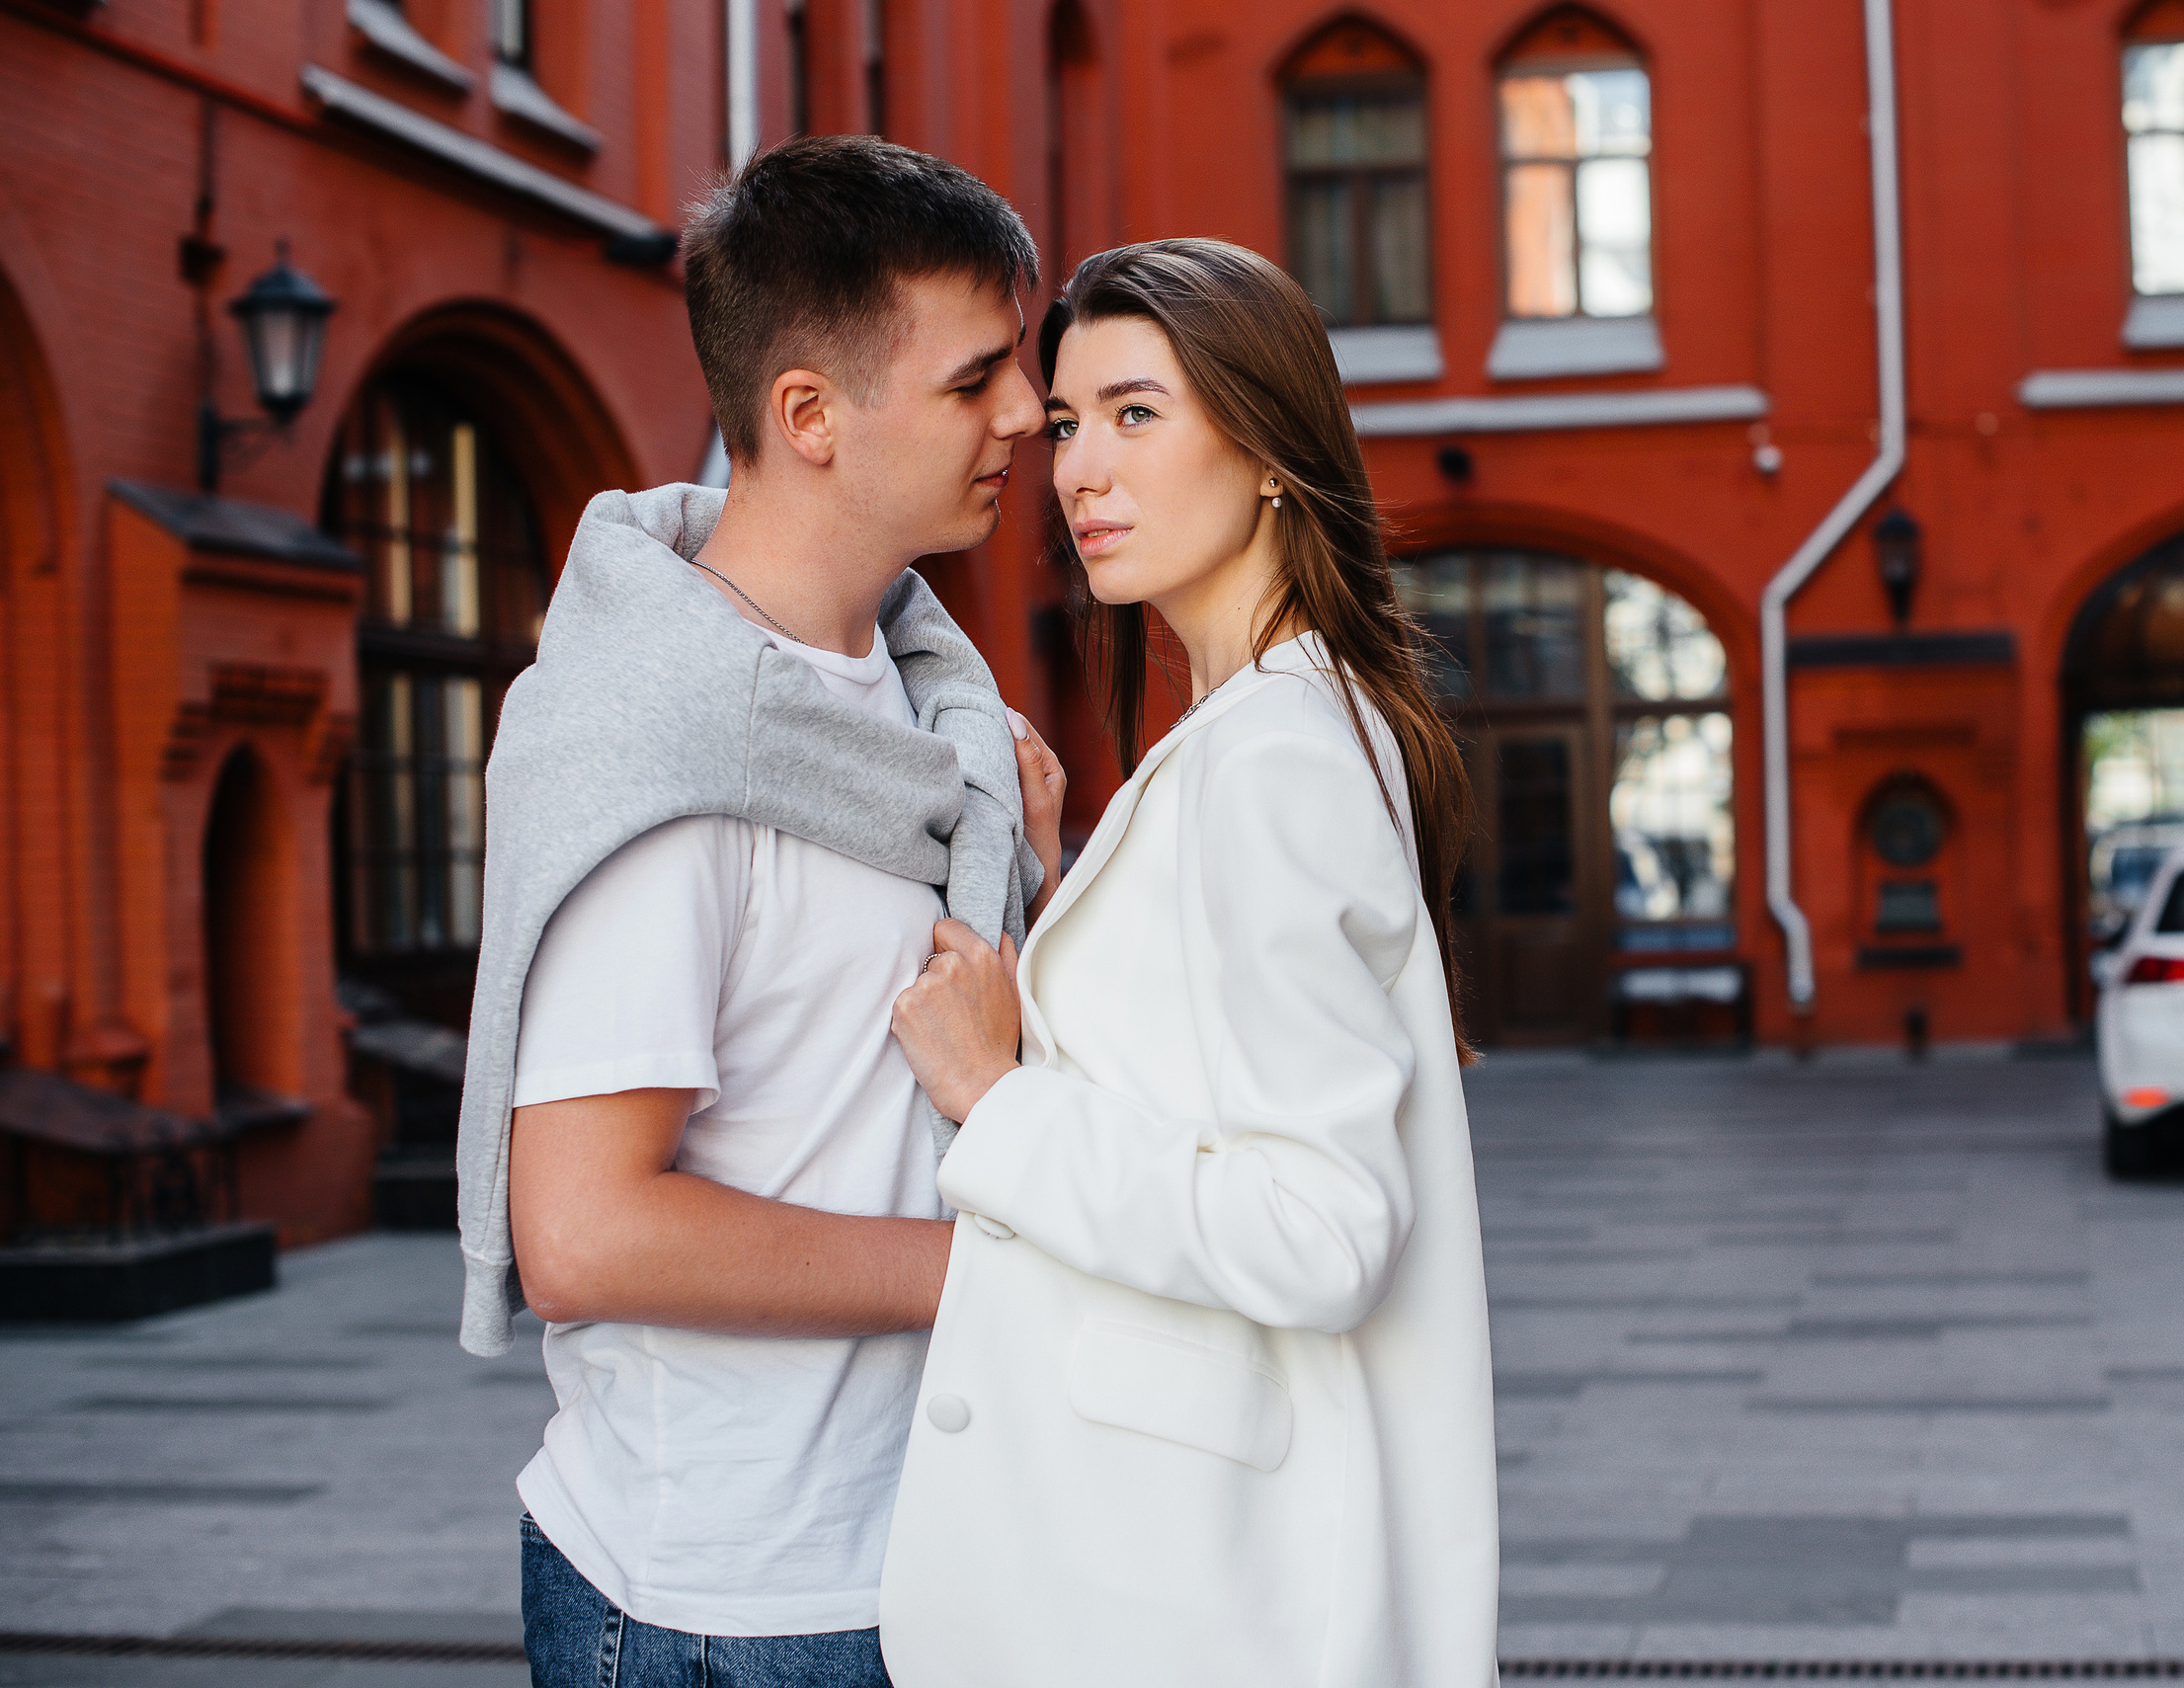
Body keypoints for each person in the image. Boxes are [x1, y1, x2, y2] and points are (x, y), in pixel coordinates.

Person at [449, 135, 1067, 1688]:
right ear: (809, 416)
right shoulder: (662, 742)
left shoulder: (941, 727)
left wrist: (1049, 885)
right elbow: (583, 1229)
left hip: (933, 1548)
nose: (1027, 413)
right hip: (721, 1601)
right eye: (974, 377)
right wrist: (989, 1270)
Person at [881, 238, 1499, 1688]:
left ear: (1270, 445)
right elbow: (1186, 1078)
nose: (1081, 468)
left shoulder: (1276, 759)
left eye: (1138, 413)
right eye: (1070, 420)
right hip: (1182, 1575)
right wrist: (1053, 897)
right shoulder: (1259, 737)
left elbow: (1320, 1226)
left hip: (1197, 1601)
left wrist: (997, 1094)